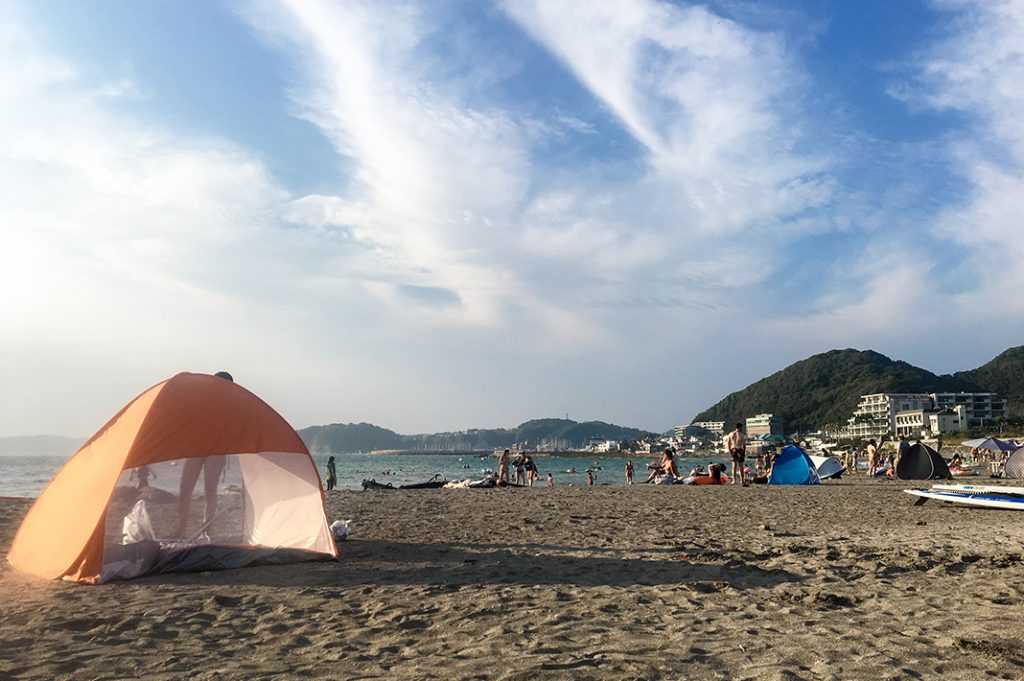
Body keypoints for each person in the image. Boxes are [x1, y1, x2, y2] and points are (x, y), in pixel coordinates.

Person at [176, 371, 234, 538]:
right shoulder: (202, 398)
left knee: (210, 490)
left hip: (216, 450)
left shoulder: (231, 404)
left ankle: (206, 528)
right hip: (197, 448)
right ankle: (182, 529)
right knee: (184, 489)